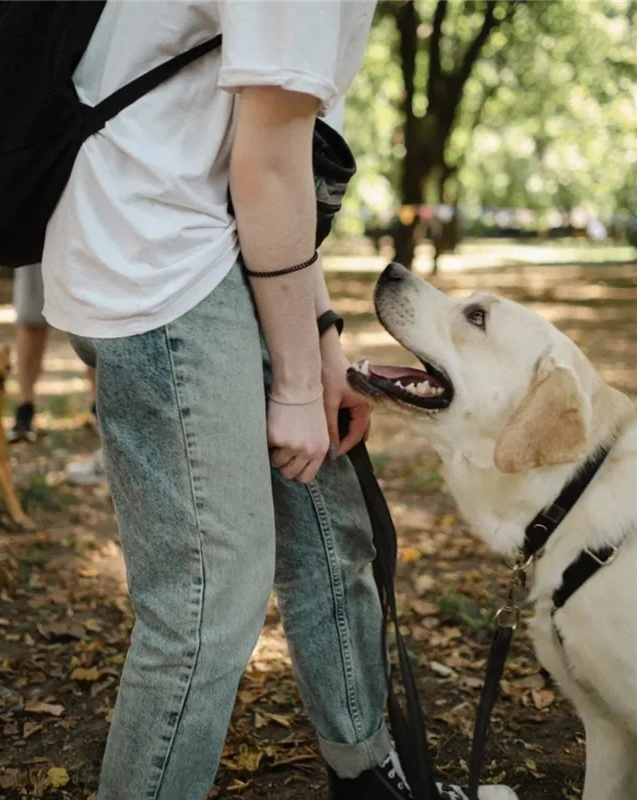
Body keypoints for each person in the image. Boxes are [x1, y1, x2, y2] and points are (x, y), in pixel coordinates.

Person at [40, 3, 518, 799]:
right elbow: (262, 167)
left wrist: (321, 340)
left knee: (331, 531)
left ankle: (366, 776)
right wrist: (294, 384)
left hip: (214, 246)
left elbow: (276, 163)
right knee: (207, 602)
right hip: (159, 268)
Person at [8, 263, 98, 444]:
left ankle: (101, 407)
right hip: (36, 242)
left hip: (88, 239)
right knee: (30, 319)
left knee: (94, 318)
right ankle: (25, 409)